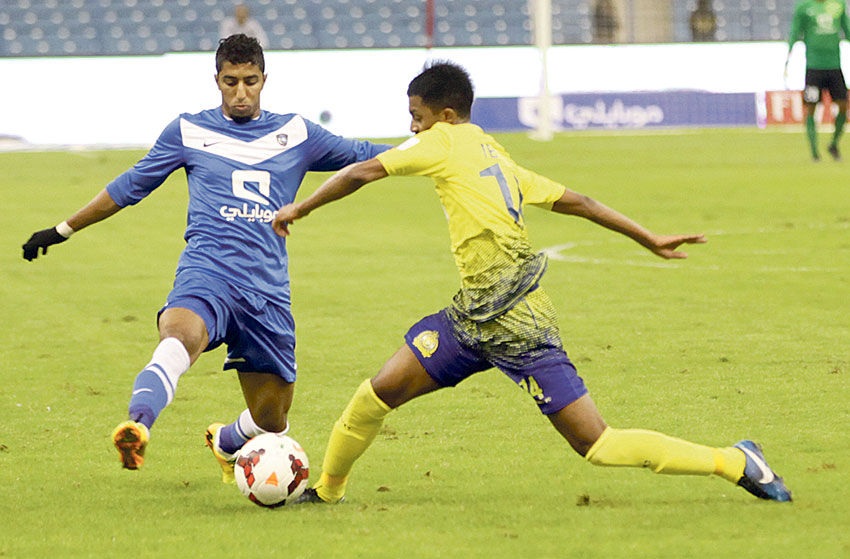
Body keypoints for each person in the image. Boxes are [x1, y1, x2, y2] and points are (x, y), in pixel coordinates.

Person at [272, 61, 793, 505]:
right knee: (376, 394)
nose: (413, 129)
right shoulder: (496, 154)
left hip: (520, 324)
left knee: (597, 444)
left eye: (417, 118)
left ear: (445, 116)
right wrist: (646, 237)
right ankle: (327, 493)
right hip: (472, 318)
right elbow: (581, 203)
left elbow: (362, 172)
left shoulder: (445, 142)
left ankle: (734, 460)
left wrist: (303, 205)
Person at [21, 34, 390, 481]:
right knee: (178, 337)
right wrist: (64, 229)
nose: (240, 92)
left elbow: (364, 157)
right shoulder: (188, 131)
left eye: (249, 82)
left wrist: (438, 150)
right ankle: (138, 425)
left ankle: (227, 441)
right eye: (230, 81)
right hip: (206, 273)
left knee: (271, 419)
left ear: (264, 80)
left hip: (266, 291)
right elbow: (129, 186)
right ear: (216, 79)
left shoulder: (297, 133)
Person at [786, 0, 850, 161]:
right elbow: (795, 31)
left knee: (843, 105)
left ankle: (834, 143)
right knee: (811, 107)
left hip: (834, 66)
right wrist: (788, 55)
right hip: (814, 67)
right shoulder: (804, 7)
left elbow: (847, 30)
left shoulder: (838, 5)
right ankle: (815, 153)